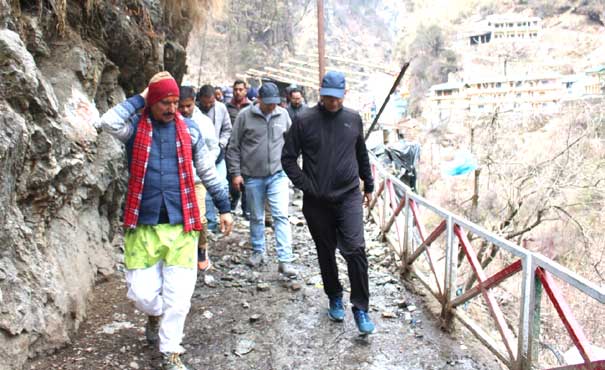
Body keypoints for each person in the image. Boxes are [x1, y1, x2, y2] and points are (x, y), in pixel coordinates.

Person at [100, 71, 233, 370]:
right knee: (142, 294)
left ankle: (171, 350)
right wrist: (143, 96)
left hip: (182, 223)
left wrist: (224, 207)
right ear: (152, 102)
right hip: (143, 222)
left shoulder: (192, 132)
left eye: (176, 102)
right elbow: (107, 121)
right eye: (165, 102)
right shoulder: (134, 129)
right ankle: (154, 314)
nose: (173, 108)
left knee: (180, 297)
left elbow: (208, 172)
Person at [281, 71, 375, 335]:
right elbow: (288, 158)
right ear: (320, 93)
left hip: (348, 196)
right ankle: (334, 295)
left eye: (337, 98)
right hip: (317, 201)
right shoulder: (304, 120)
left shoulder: (353, 119)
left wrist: (368, 184)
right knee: (325, 250)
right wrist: (307, 185)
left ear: (344, 94)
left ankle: (360, 307)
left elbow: (361, 153)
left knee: (355, 249)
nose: (332, 103)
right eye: (327, 97)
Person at [227, 82, 297, 277]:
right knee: (256, 216)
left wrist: (292, 167)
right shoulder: (244, 117)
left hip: (278, 174)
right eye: (268, 103)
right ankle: (259, 251)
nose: (271, 106)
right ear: (258, 99)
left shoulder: (283, 115)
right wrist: (236, 173)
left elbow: (292, 142)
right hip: (252, 176)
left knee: (281, 215)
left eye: (275, 103)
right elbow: (233, 147)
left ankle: (285, 260)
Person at [178, 85, 221, 271]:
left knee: (200, 217)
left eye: (188, 105)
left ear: (194, 102)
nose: (185, 110)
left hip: (197, 179)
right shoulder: (169, 120)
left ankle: (202, 248)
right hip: (176, 179)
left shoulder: (204, 123)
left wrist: (203, 164)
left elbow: (214, 147)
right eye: (182, 106)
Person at [197, 84, 232, 233]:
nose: (208, 105)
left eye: (211, 103)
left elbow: (227, 128)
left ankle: (222, 214)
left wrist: (221, 143)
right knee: (204, 191)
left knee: (221, 186)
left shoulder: (221, 108)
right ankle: (210, 223)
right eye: (205, 103)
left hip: (218, 156)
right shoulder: (194, 111)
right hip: (200, 157)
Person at [225, 80, 252, 218]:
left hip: (247, 149)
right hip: (231, 148)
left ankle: (246, 209)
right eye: (236, 89)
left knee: (247, 178)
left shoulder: (251, 108)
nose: (238, 92)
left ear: (245, 91)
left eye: (241, 89)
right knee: (232, 178)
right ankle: (233, 199)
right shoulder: (227, 107)